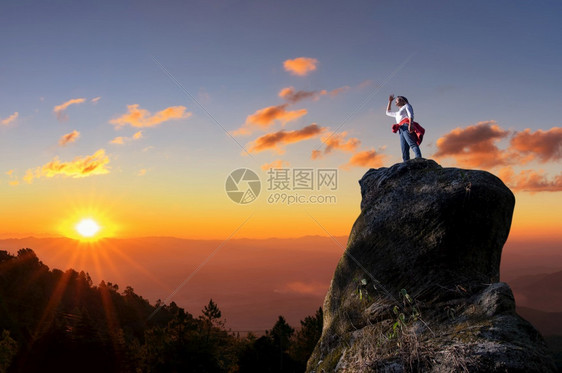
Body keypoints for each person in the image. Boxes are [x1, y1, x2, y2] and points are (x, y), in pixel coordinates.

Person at [386, 94, 422, 161]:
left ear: (403, 101)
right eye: (395, 101)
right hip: (401, 129)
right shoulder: (397, 113)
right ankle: (406, 163)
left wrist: (410, 124)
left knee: (412, 143)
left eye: (397, 100)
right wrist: (390, 101)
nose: (395, 102)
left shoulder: (407, 106)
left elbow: (411, 115)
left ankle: (419, 158)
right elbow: (388, 112)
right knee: (404, 148)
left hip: (406, 125)